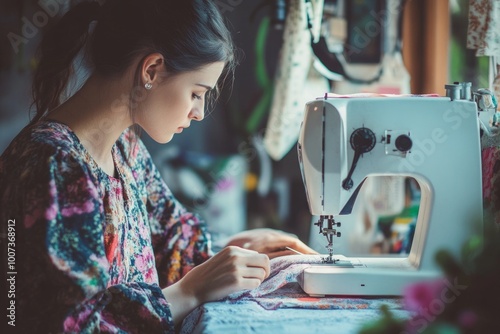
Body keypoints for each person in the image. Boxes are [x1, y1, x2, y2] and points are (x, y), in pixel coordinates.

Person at [0, 0, 316, 333]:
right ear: (151, 70)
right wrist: (189, 291)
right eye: (197, 93)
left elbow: (169, 236)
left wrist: (233, 248)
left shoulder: (125, 149)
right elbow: (76, 325)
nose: (199, 112)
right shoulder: (55, 165)